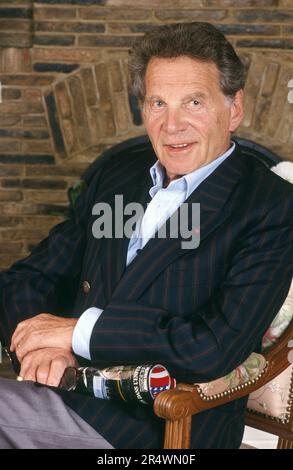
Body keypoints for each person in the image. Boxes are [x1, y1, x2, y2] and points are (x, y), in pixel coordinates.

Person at [0, 22, 292, 449]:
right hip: (62, 391)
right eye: (158, 103)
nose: (173, 125)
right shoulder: (118, 177)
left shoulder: (269, 205)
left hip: (157, 425)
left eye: (194, 102)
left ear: (235, 109)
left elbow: (212, 346)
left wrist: (76, 332)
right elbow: (26, 279)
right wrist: (41, 347)